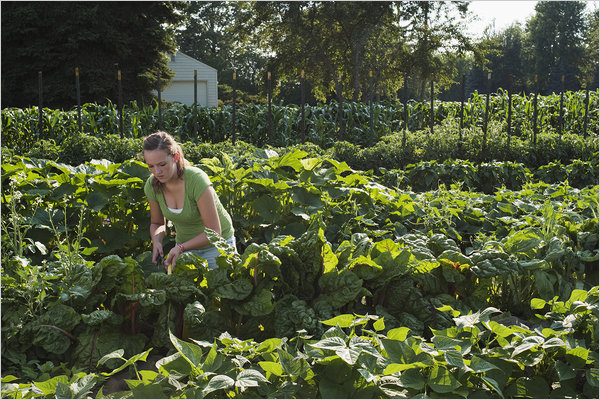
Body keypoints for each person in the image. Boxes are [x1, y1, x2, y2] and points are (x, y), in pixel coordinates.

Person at [142, 131, 236, 271]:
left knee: (218, 290)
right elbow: (156, 223)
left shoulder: (196, 180)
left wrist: (180, 247)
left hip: (217, 247)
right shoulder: (152, 185)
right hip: (184, 248)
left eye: (162, 164)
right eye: (151, 166)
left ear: (175, 157)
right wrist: (156, 241)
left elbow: (214, 232)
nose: (157, 172)